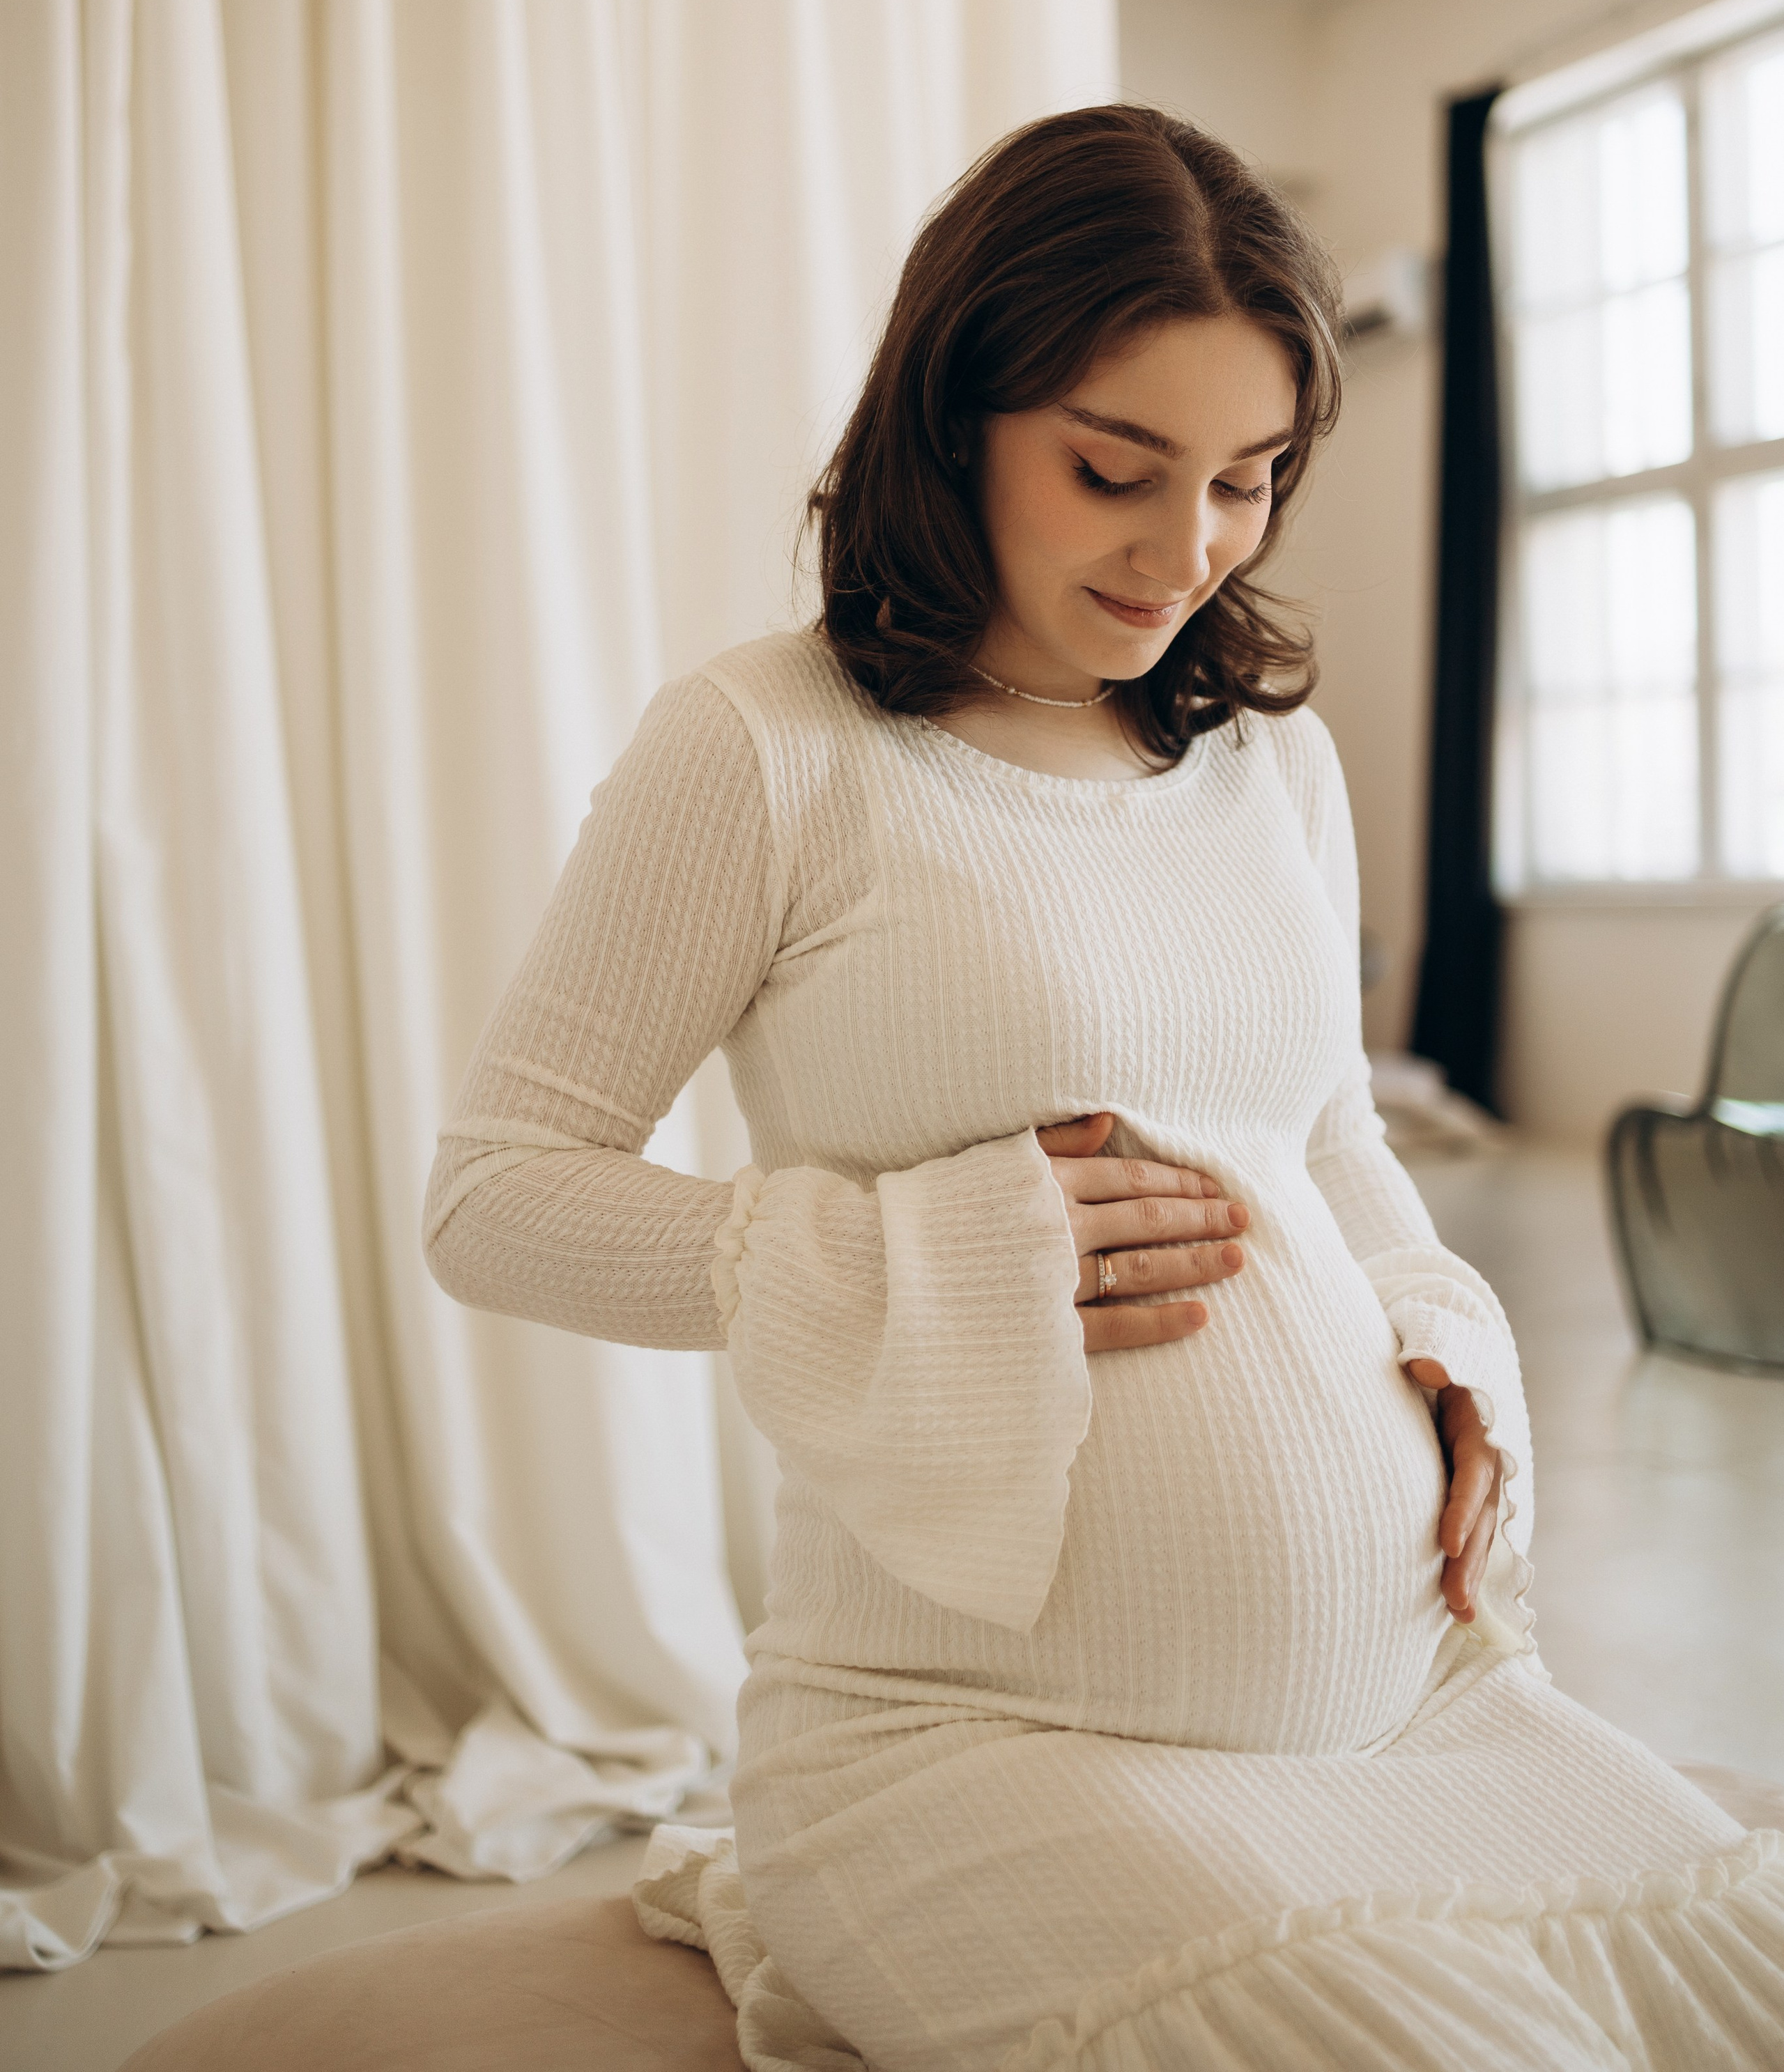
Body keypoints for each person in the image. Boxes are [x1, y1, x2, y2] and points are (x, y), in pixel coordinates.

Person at [424, 107, 1784, 2070]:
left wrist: (1436, 1338)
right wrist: (932, 1249)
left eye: (1247, 481)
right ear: (954, 413)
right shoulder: (764, 745)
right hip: (971, 1746)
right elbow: (494, 1200)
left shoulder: (1267, 766)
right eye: (1114, 472)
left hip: (1412, 1707)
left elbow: (1325, 1136)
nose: (1187, 551)